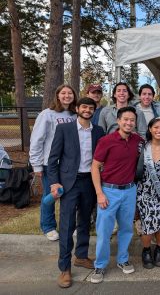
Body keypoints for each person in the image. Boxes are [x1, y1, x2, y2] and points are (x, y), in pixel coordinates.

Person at [47, 97, 105, 288]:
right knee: (67, 224)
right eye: (84, 107)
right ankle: (64, 268)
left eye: (91, 108)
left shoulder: (98, 131)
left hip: (89, 181)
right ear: (77, 109)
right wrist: (54, 182)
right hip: (69, 183)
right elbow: (53, 158)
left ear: (94, 111)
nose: (88, 110)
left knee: (85, 222)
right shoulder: (64, 129)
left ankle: (81, 256)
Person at [90, 106, 144, 284]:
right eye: (125, 119)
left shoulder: (138, 140)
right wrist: (99, 193)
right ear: (118, 121)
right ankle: (100, 265)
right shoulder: (106, 140)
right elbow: (95, 167)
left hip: (129, 190)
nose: (129, 123)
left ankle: (122, 259)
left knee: (126, 229)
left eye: (132, 120)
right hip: (108, 191)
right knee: (104, 231)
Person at [29, 84, 77, 241]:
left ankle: (69, 224)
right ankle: (48, 226)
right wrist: (36, 164)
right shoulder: (47, 114)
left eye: (70, 93)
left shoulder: (75, 115)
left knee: (69, 194)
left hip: (69, 163)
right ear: (57, 95)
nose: (67, 96)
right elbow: (37, 139)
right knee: (52, 195)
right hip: (51, 163)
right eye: (63, 93)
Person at [137, 117, 160, 269]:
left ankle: (159, 248)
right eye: (156, 127)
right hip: (144, 191)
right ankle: (145, 251)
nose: (159, 130)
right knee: (147, 224)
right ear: (150, 129)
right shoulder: (142, 147)